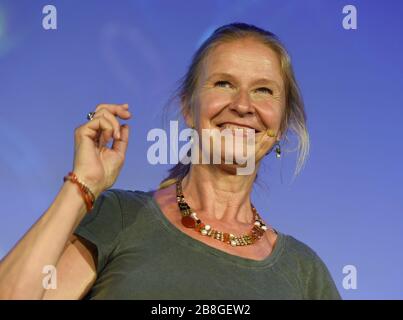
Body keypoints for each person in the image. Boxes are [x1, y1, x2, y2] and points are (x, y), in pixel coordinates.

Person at [0, 22, 341, 299]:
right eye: (223, 84)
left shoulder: (304, 273)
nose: (242, 105)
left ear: (281, 124)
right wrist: (82, 185)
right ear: (187, 110)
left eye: (263, 90)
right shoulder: (120, 218)